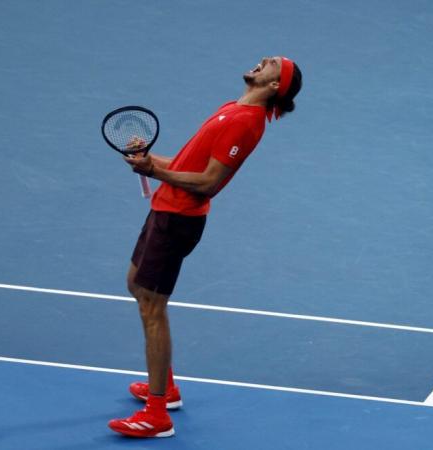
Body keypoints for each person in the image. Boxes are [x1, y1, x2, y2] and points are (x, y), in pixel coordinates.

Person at [108, 56, 302, 438]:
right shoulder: (232, 108)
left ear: (276, 86)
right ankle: (167, 385)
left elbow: (209, 182)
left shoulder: (247, 123)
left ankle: (158, 413)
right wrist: (150, 161)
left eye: (272, 65)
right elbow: (185, 165)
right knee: (136, 284)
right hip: (165, 207)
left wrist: (153, 171)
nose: (262, 62)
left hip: (179, 220)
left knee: (152, 306)